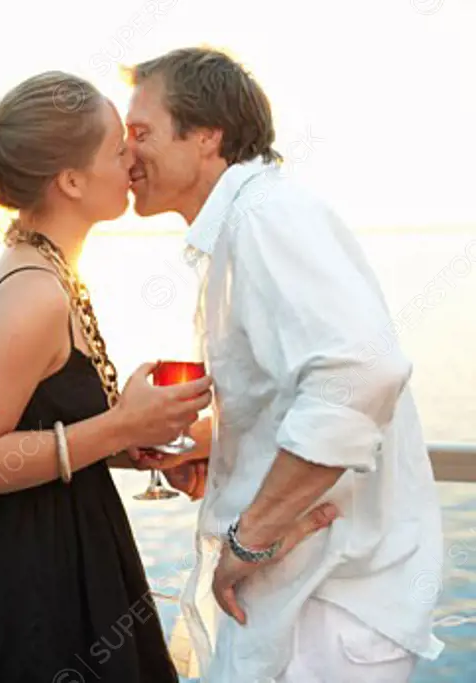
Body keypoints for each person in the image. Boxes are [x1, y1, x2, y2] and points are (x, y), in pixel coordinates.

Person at [0, 70, 334, 683]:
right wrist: (120, 425)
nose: (132, 157)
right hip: (26, 585)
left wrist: (141, 444)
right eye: (116, 147)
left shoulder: (54, 272)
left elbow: (41, 427)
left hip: (62, 552)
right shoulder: (32, 293)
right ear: (72, 180)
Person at [122, 46, 445, 682]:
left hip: (324, 608)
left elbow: (361, 374)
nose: (127, 153)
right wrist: (220, 452)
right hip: (299, 603)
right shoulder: (243, 226)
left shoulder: (268, 219)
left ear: (208, 135)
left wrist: (252, 535)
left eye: (141, 132)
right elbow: (298, 394)